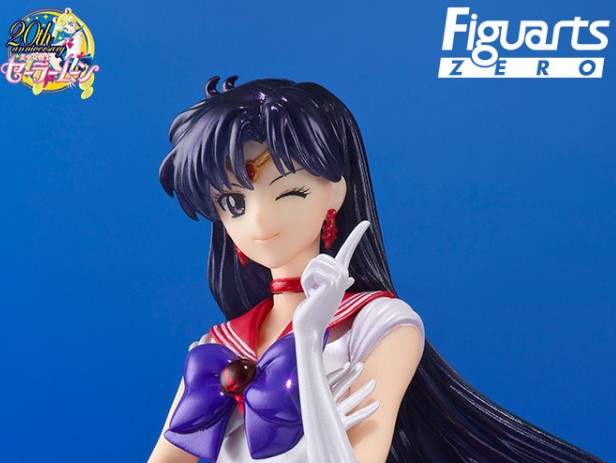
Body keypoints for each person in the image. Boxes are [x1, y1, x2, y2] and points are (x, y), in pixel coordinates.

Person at [148, 77, 605, 463]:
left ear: (334, 193)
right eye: (234, 203)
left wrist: (308, 342)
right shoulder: (216, 349)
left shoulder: (381, 326)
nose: (260, 220)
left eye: (289, 193)